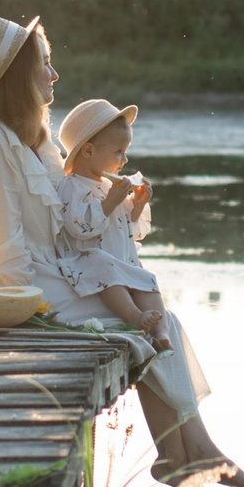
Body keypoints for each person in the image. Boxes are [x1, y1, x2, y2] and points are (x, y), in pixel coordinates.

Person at [0, 14, 244, 487]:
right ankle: (189, 454)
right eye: (44, 64)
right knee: (143, 323)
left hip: (48, 270)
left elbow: (69, 220)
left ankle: (185, 454)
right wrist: (32, 312)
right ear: (18, 75)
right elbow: (3, 246)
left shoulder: (35, 138)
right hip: (10, 285)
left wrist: (118, 211)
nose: (53, 75)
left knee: (158, 319)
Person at [51, 97, 170, 348]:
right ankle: (135, 316)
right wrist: (111, 202)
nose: (124, 159)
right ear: (88, 151)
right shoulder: (72, 186)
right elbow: (79, 227)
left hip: (119, 258)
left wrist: (137, 205)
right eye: (118, 152)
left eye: (125, 151)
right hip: (87, 260)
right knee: (102, 266)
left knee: (146, 278)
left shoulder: (108, 185)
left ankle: (162, 334)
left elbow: (128, 228)